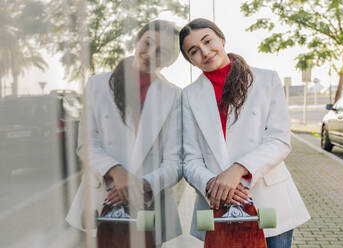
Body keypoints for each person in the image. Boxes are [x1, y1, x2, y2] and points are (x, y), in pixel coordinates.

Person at [179, 18, 310, 247]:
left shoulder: (266, 79)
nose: (205, 52)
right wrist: (214, 184)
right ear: (191, 60)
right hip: (218, 206)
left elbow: (279, 140)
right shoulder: (189, 95)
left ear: (222, 38)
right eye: (194, 51)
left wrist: (238, 170)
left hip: (268, 203)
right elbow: (190, 159)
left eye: (208, 41)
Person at [66, 19, 183, 247]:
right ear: (136, 40)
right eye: (147, 43)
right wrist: (117, 172)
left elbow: (175, 161)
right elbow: (86, 144)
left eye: (162, 52)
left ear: (169, 61)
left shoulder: (173, 96)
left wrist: (141, 186)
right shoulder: (97, 85)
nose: (150, 53)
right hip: (101, 199)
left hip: (149, 205)